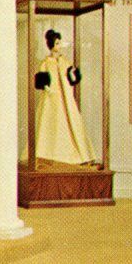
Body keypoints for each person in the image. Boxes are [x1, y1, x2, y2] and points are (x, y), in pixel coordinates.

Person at [34, 29, 96, 165]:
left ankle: (76, 155)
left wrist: (74, 76)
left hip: (66, 97)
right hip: (52, 97)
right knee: (50, 123)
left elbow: (73, 76)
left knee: (71, 121)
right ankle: (47, 155)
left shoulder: (65, 61)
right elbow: (41, 80)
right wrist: (46, 87)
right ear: (51, 44)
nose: (59, 46)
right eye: (57, 43)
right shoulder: (46, 62)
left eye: (59, 43)